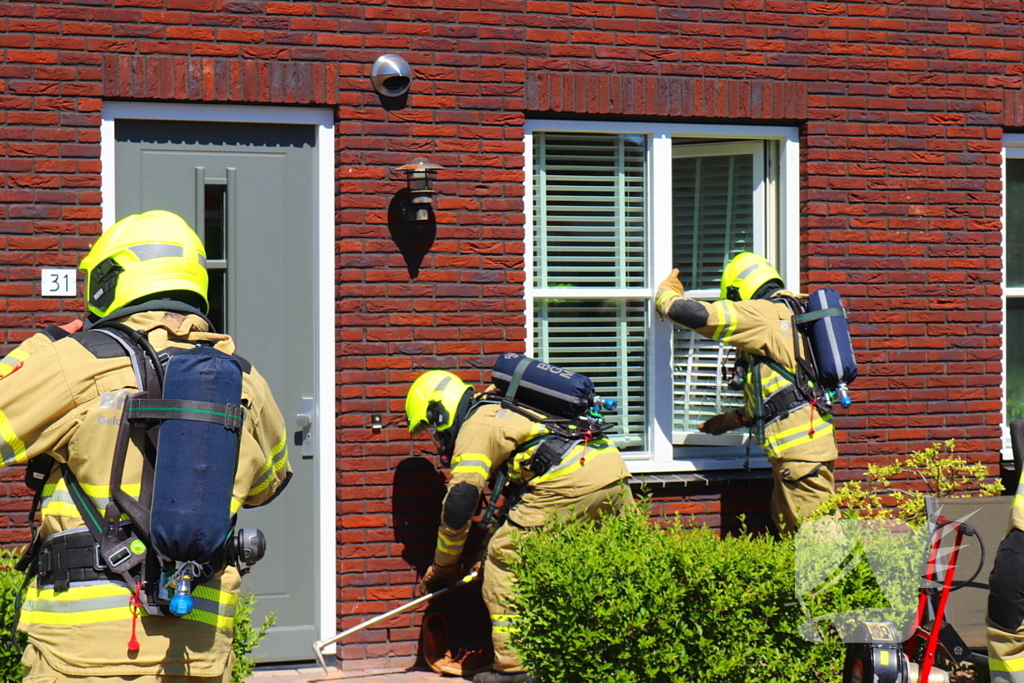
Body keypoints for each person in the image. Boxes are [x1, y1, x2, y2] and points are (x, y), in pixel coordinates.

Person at [0, 210, 292, 682]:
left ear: (108, 279)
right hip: (200, 647)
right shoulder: (244, 378)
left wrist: (38, 349)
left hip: (84, 653)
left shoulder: (74, 361)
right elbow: (268, 483)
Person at [406, 370, 633, 683]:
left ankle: (516, 670)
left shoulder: (477, 426)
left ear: (439, 410)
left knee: (505, 559)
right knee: (616, 560)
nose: (435, 436)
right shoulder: (502, 405)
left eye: (432, 426)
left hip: (569, 480)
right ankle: (627, 650)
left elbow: (459, 505)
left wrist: (444, 565)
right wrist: (481, 549)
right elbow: (517, 498)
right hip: (610, 471)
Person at [655, 252, 838, 532]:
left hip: (800, 454)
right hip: (805, 448)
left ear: (738, 291)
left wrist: (667, 294)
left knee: (820, 541)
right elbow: (787, 385)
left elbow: (692, 314)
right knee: (790, 529)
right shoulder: (795, 308)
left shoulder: (763, 314)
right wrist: (732, 421)